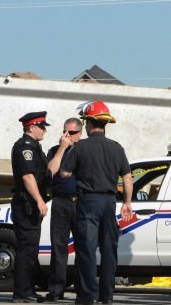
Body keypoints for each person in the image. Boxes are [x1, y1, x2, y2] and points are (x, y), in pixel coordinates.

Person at [60, 100, 133, 305]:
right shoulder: (117, 148)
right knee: (109, 250)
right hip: (109, 203)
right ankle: (107, 295)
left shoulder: (80, 147)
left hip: (87, 202)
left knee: (87, 249)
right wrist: (127, 202)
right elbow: (127, 179)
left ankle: (87, 296)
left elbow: (64, 173)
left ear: (89, 124)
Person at [11, 111, 71, 303]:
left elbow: (48, 173)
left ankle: (27, 290)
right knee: (26, 251)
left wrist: (62, 149)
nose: (44, 130)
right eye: (41, 126)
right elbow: (28, 177)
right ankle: (22, 293)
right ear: (31, 127)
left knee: (31, 250)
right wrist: (39, 200)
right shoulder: (24, 148)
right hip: (26, 205)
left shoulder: (36, 148)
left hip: (32, 206)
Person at [45, 117, 83, 301]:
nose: (67, 136)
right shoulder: (54, 150)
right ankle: (56, 288)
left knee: (83, 247)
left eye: (72, 133)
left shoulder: (84, 150)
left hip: (81, 202)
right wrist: (61, 148)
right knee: (59, 247)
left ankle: (81, 288)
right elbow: (50, 172)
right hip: (61, 202)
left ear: (80, 134)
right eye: (64, 132)